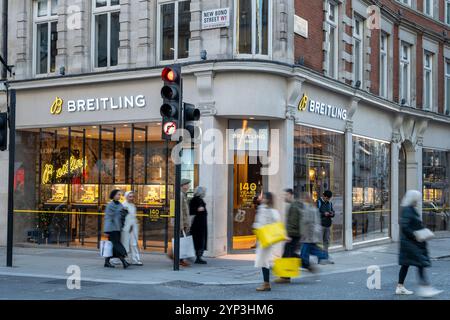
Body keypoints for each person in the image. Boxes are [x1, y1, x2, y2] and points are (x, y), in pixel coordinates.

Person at [396, 190, 443, 297]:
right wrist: (417, 235)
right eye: (417, 199)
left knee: (406, 264)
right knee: (420, 263)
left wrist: (423, 231)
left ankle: (400, 287)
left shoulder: (410, 209)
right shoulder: (408, 210)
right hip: (411, 243)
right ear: (413, 199)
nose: (418, 201)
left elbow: (413, 224)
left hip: (409, 242)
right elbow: (405, 227)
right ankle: (425, 288)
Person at [253, 192, 281, 292]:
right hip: (269, 238)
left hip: (264, 237)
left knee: (264, 261)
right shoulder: (272, 210)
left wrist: (256, 228)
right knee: (266, 260)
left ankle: (266, 284)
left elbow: (259, 224)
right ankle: (270, 280)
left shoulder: (264, 209)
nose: (260, 198)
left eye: (263, 197)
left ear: (267, 199)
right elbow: (277, 221)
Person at [274, 188, 302, 284]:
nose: (284, 197)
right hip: (294, 234)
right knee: (289, 255)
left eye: (285, 195)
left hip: (293, 235)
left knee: (286, 256)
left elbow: (293, 223)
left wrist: (289, 235)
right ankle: (286, 276)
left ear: (290, 194)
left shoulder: (293, 206)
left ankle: (285, 277)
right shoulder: (292, 205)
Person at [300, 193, 328, 272]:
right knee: (309, 249)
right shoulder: (312, 208)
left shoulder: (308, 208)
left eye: (304, 198)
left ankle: (323, 256)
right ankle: (306, 264)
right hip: (310, 234)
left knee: (306, 249)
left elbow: (306, 221)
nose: (303, 200)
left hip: (308, 234)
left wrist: (303, 233)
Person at [103, 189, 130, 269]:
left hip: (118, 228)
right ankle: (124, 261)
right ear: (113, 195)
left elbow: (121, 216)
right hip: (111, 229)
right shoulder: (110, 205)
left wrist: (125, 213)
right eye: (118, 194)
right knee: (117, 245)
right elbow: (108, 218)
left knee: (113, 246)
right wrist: (106, 230)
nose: (119, 196)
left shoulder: (120, 205)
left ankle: (107, 262)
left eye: (120, 195)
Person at [121, 191, 143, 266]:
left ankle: (135, 259)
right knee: (125, 243)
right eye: (130, 196)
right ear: (126, 197)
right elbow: (124, 217)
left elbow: (133, 216)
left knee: (134, 244)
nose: (131, 198)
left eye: (132, 196)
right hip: (127, 227)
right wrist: (128, 226)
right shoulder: (123, 205)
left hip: (134, 227)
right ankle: (123, 259)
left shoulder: (133, 205)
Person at [190, 186, 208, 264]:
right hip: (198, 223)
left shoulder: (199, 199)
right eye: (204, 191)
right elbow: (191, 210)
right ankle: (198, 257)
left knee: (201, 239)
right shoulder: (195, 199)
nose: (205, 193)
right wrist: (197, 209)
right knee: (199, 239)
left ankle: (199, 256)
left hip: (201, 222)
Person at [317, 190, 335, 264]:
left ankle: (326, 257)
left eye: (329, 199)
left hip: (327, 225)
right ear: (324, 196)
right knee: (320, 242)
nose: (328, 200)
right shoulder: (318, 202)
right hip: (320, 225)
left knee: (326, 242)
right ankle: (320, 259)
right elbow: (316, 212)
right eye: (327, 198)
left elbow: (333, 212)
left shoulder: (330, 203)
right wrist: (324, 214)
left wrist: (332, 213)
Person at [180, 179, 192, 267]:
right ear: (183, 185)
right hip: (182, 223)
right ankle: (179, 259)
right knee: (181, 241)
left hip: (184, 223)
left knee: (182, 241)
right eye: (187, 184)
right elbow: (180, 211)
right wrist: (181, 224)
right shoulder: (180, 195)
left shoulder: (184, 195)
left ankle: (180, 259)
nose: (189, 186)